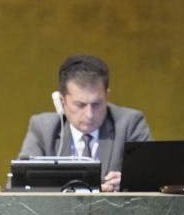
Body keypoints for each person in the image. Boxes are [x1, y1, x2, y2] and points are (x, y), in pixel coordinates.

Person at [19, 55, 152, 191]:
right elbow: (20, 184)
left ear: (107, 96)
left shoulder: (130, 124)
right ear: (62, 101)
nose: (89, 114)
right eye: (80, 105)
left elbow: (153, 180)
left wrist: (128, 183)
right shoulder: (43, 128)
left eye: (96, 104)